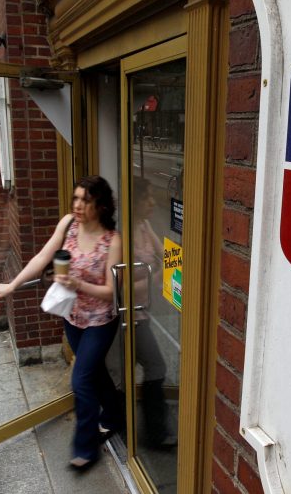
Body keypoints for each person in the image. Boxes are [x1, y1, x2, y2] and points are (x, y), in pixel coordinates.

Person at [0, 175, 123, 470]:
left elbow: (111, 292)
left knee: (81, 379)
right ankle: (115, 414)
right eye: (76, 198)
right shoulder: (68, 224)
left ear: (101, 206)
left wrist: (78, 284)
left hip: (100, 321)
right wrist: (12, 285)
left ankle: (85, 448)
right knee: (95, 372)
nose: (78, 205)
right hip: (72, 316)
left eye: (86, 200)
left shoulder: (112, 241)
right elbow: (42, 257)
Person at [131, 177, 176, 448]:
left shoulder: (143, 226)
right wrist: (156, 278)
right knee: (156, 366)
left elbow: (166, 255)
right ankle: (155, 434)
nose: (152, 202)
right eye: (146, 197)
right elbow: (121, 287)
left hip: (141, 313)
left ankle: (153, 429)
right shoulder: (123, 234)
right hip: (126, 316)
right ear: (134, 201)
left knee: (151, 367)